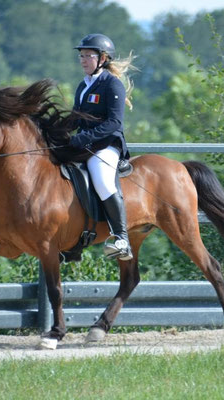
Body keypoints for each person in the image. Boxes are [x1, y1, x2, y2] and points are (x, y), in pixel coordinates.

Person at [69, 33, 136, 261]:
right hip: (85, 144)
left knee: (102, 180)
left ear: (103, 58)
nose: (83, 60)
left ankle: (121, 239)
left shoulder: (111, 84)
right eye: (81, 56)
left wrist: (84, 138)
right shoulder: (83, 86)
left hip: (107, 146)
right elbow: (76, 119)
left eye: (88, 55)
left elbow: (114, 123)